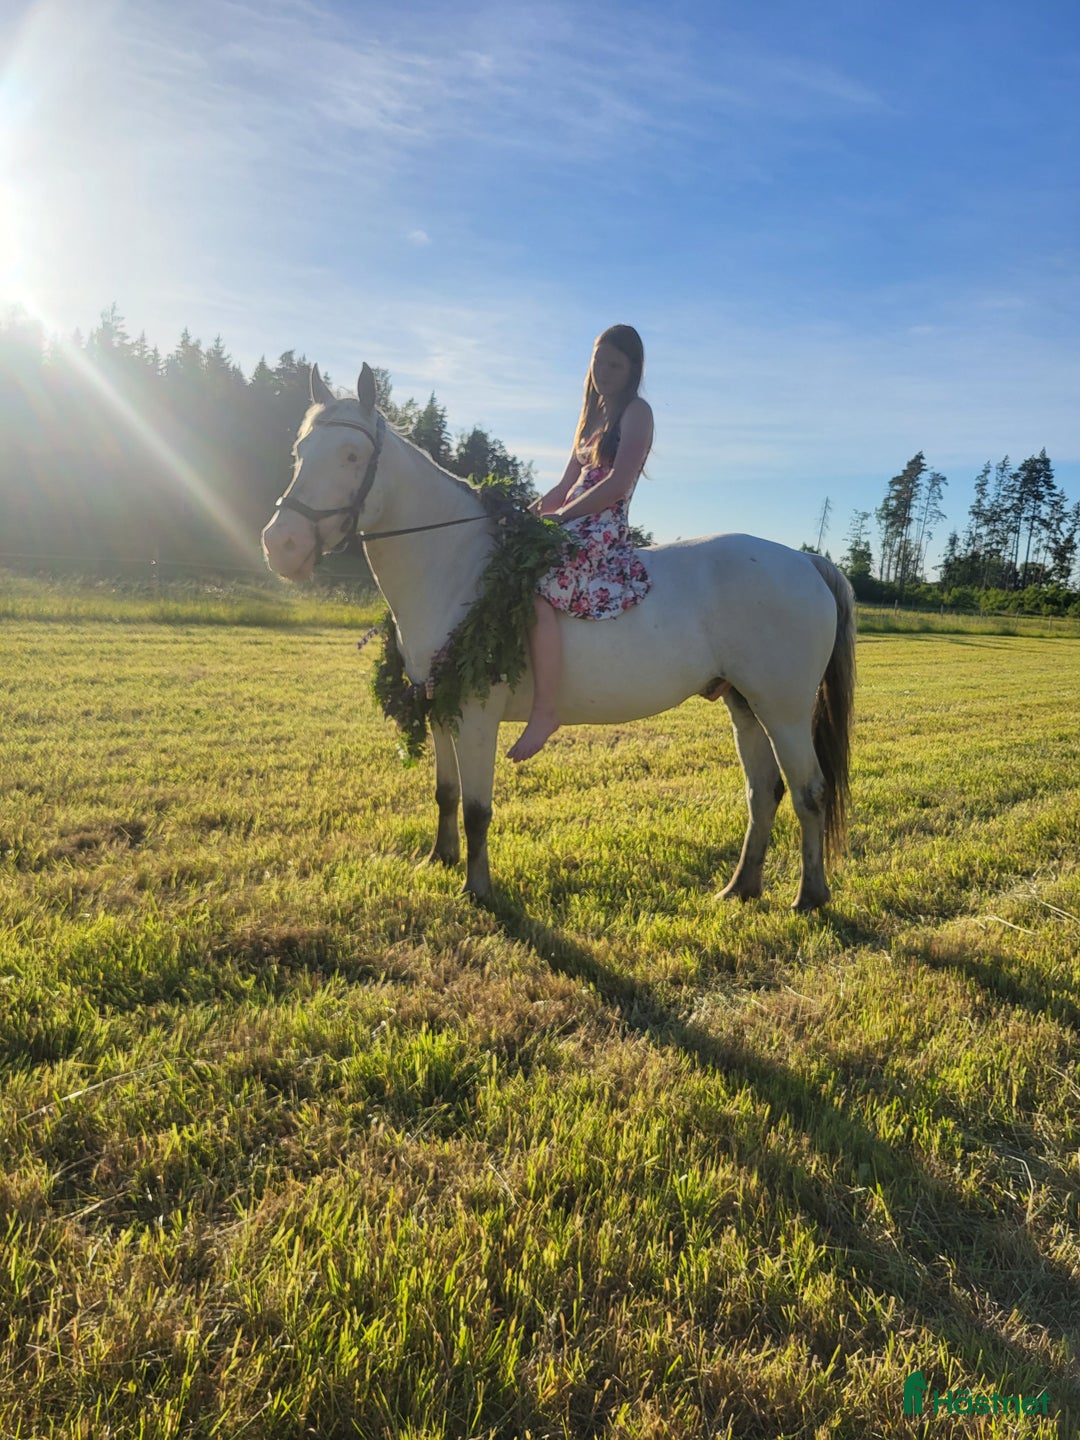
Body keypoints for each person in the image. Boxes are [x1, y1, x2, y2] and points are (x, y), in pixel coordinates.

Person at [507, 324, 653, 763]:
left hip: (601, 525)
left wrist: (562, 518)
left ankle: (546, 710)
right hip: (570, 519)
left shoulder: (636, 412)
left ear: (632, 370)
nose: (603, 371)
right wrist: (525, 517)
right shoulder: (591, 418)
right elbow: (563, 486)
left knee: (539, 589)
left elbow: (617, 484)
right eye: (598, 361)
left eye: (615, 364)